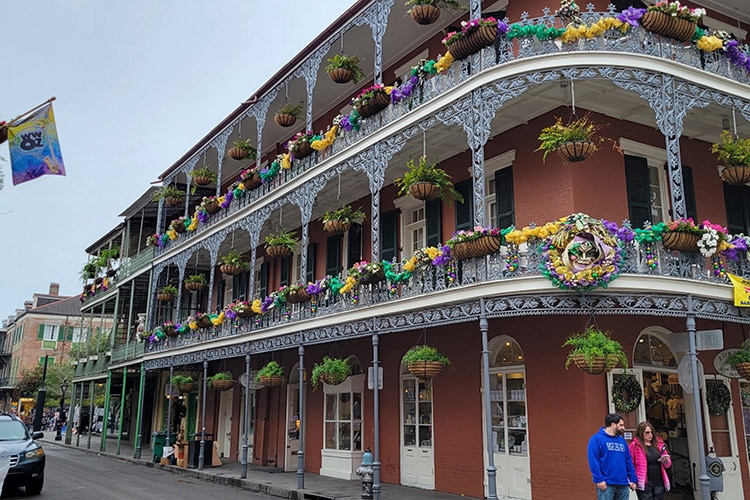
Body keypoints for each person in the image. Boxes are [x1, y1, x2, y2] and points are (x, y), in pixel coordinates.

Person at [588, 413, 637, 499]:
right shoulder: (596, 439)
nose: (623, 428)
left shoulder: (622, 441)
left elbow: (628, 461)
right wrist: (599, 479)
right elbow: (593, 461)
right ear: (613, 424)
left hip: (623, 484)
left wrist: (633, 479)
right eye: (621, 425)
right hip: (606, 484)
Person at [629, 421, 671, 500]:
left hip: (659, 480)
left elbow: (668, 465)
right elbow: (630, 463)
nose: (650, 435)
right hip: (644, 481)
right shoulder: (635, 445)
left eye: (651, 432)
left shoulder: (659, 444)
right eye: (647, 433)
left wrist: (666, 460)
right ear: (641, 433)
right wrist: (632, 479)